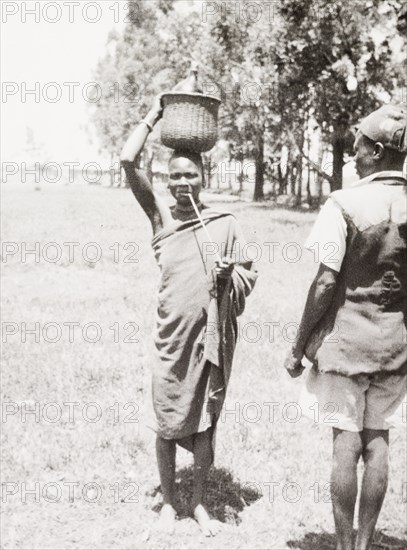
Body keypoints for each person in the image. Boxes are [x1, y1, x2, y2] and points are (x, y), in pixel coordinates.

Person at [120, 94, 257, 536]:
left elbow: (248, 278)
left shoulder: (225, 223)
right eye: (174, 175)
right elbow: (127, 160)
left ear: (203, 177)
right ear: (166, 178)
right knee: (165, 422)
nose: (182, 183)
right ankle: (168, 501)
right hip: (170, 339)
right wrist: (155, 116)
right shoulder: (161, 218)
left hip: (209, 340)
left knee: (203, 427)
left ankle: (197, 502)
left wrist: (227, 273)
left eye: (190, 175)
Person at [285, 104, 407, 550]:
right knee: (379, 444)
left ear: (375, 151)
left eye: (357, 147)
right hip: (394, 350)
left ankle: (342, 547)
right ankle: (366, 542)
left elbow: (325, 282)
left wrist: (297, 347)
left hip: (344, 347)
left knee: (345, 445)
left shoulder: (344, 203)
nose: (352, 155)